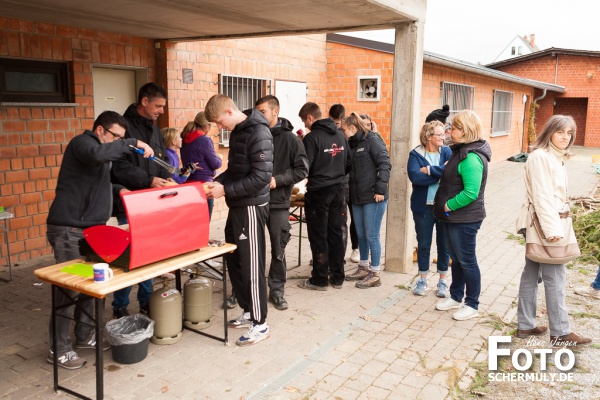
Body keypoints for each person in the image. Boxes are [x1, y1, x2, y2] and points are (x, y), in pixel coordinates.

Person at [46, 111, 153, 369]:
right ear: (100, 130)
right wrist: (132, 143)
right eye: (115, 135)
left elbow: (98, 183)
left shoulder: (101, 154)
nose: (117, 141)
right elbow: (97, 156)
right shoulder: (82, 144)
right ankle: (58, 349)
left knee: (91, 285)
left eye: (122, 137)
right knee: (68, 289)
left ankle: (84, 335)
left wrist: (120, 190)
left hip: (92, 231)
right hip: (69, 231)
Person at [515, 115, 592, 346]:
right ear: (549, 132)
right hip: (547, 225)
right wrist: (552, 230)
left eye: (569, 133)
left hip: (547, 223)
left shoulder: (554, 157)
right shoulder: (541, 157)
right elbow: (542, 196)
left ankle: (525, 326)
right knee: (556, 277)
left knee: (531, 273)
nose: (565, 137)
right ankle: (560, 331)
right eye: (560, 132)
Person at [204, 94, 273, 346]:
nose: (219, 128)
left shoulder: (259, 133)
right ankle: (247, 310)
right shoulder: (239, 132)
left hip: (252, 207)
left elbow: (261, 178)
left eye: (220, 122)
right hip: (238, 205)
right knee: (236, 259)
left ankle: (260, 323)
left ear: (229, 111)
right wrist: (218, 182)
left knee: (252, 264)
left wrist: (225, 191)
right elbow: (234, 170)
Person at [111, 82, 172, 319]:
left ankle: (146, 301)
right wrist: (149, 180)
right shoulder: (122, 128)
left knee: (148, 254)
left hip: (152, 201)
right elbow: (117, 167)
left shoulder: (155, 129)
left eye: (163, 107)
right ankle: (120, 305)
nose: (161, 111)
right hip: (128, 201)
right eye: (158, 106)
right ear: (144, 102)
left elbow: (160, 159)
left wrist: (168, 178)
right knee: (128, 256)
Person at [433, 110, 491, 321]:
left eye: (454, 128)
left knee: (467, 261)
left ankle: (472, 304)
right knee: (456, 260)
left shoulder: (472, 157)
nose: (450, 131)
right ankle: (456, 296)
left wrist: (448, 205)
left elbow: (470, 193)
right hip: (453, 217)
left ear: (466, 131)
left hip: (464, 218)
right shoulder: (461, 151)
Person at [255, 95, 309, 310]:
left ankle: (276, 290)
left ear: (275, 111)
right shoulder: (254, 134)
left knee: (278, 248)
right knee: (253, 250)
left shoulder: (290, 139)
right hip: (254, 202)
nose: (258, 115)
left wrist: (278, 180)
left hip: (278, 203)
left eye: (263, 111)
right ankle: (252, 291)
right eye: (256, 111)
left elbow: (302, 170)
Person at [297, 102, 349, 290]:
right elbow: (348, 163)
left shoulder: (311, 139)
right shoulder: (340, 136)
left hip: (319, 192)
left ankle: (319, 279)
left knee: (319, 235)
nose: (305, 125)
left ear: (310, 117)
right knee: (335, 233)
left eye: (304, 121)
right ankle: (337, 277)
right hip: (338, 190)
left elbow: (304, 168)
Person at [341, 112, 391, 288]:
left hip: (373, 197)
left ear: (353, 128)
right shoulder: (352, 144)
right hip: (357, 196)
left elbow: (385, 163)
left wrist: (380, 189)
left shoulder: (373, 140)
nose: (343, 132)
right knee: (361, 234)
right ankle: (363, 266)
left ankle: (375, 273)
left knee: (372, 235)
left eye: (344, 129)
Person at [407, 121, 451, 297]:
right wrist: (439, 176)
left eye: (443, 134)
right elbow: (416, 178)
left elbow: (451, 172)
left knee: (444, 245)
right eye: (439, 135)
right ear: (428, 137)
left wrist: (429, 170)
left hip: (443, 206)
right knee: (424, 244)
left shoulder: (447, 151)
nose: (443, 137)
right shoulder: (415, 154)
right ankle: (423, 279)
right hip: (423, 207)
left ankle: (442, 281)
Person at [180, 111, 223, 218]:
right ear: (207, 125)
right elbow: (216, 163)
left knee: (193, 221)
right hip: (204, 185)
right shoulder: (204, 140)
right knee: (205, 220)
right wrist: (220, 158)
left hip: (188, 183)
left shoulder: (185, 139)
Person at [329, 104, 354, 263]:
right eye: (334, 123)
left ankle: (339, 258)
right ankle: (329, 255)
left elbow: (349, 163)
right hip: (332, 183)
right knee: (331, 223)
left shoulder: (348, 136)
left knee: (341, 223)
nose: (336, 127)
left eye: (339, 124)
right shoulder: (329, 133)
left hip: (344, 184)